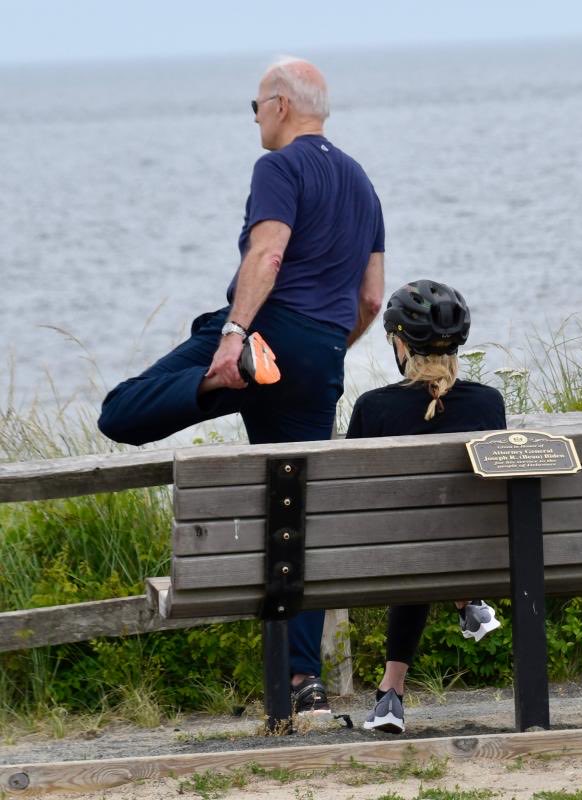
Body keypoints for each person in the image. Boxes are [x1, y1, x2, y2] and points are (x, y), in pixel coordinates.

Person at [98, 57, 385, 715]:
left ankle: (208, 385)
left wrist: (234, 337)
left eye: (255, 104)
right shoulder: (362, 182)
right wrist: (326, 353)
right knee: (296, 515)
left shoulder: (278, 168)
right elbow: (371, 298)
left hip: (265, 334)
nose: (254, 116)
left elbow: (269, 254)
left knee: (120, 412)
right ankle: (301, 685)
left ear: (280, 105)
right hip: (319, 353)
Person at [345, 280, 506, 734]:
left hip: (397, 553)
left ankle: (390, 695)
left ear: (400, 342)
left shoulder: (374, 409)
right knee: (430, 542)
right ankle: (466, 600)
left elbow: (355, 498)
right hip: (479, 551)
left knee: (414, 545)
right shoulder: (488, 403)